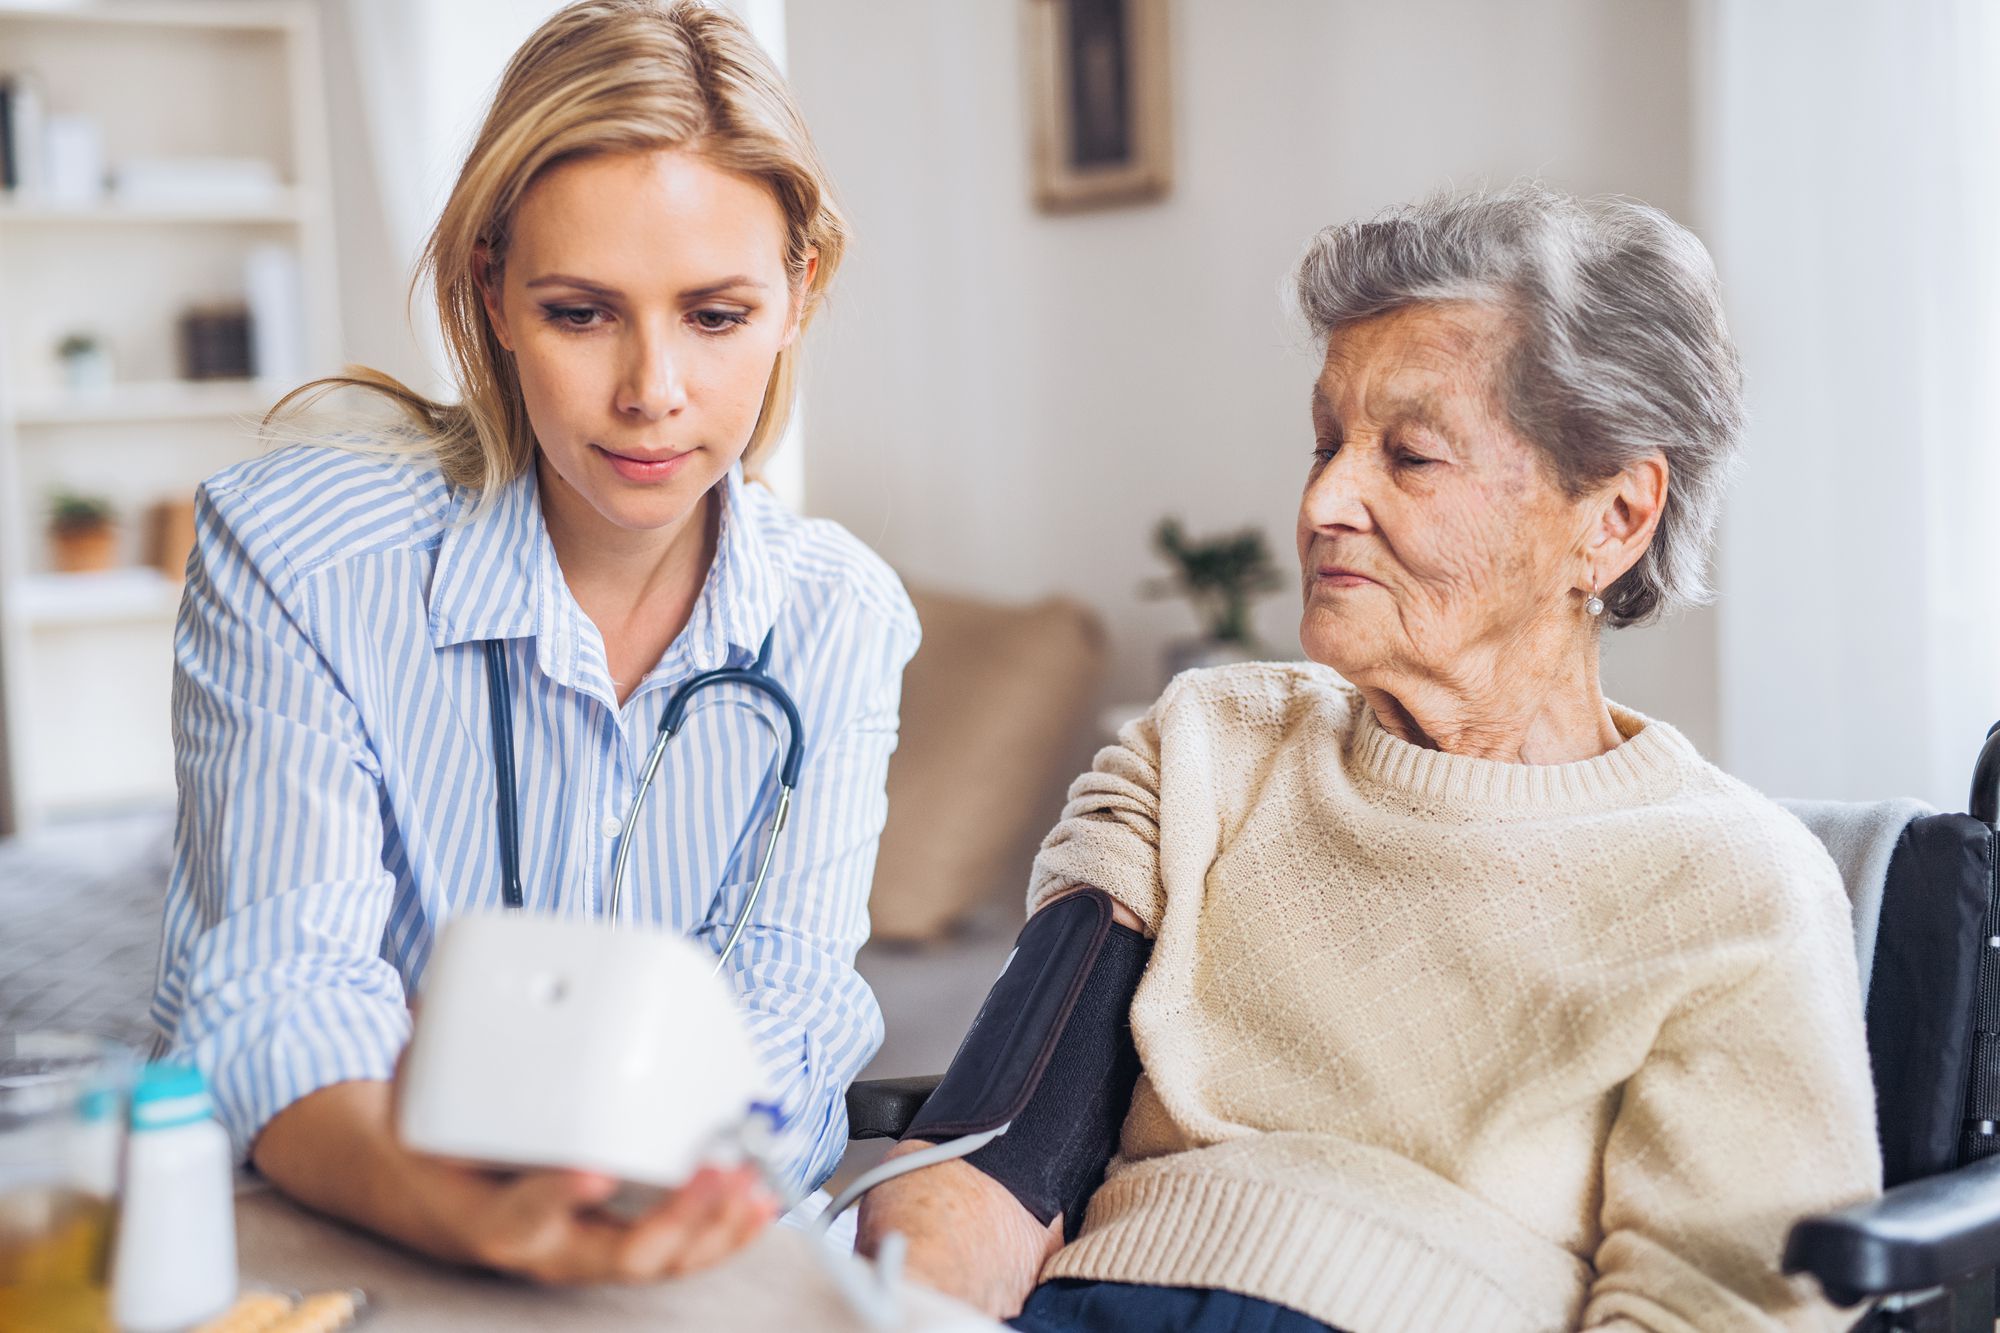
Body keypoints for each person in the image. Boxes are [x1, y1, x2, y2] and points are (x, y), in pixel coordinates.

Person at [858, 185, 1881, 1332]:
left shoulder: (1735, 887)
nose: (1322, 500)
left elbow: (1716, 1310)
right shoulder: (1200, 747)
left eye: (1408, 455)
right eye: (1324, 440)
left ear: (1612, 516)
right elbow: (998, 1155)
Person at [149, 0, 918, 1285]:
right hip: (342, 1230)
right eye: (580, 312)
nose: (652, 390)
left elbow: (790, 1012)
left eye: (716, 316)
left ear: (800, 293)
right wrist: (470, 1209)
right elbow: (281, 997)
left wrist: (633, 1191)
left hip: (673, 1241)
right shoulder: (294, 556)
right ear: (490, 290)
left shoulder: (840, 617)